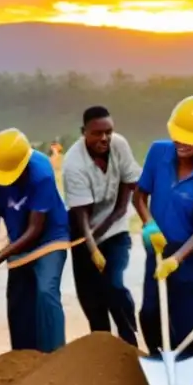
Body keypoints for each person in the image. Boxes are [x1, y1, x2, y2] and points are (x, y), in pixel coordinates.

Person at [133, 96, 193, 357]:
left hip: (192, 259)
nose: (181, 143)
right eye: (178, 135)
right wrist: (149, 224)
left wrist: (177, 259)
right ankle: (159, 363)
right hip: (158, 248)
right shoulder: (158, 152)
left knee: (189, 334)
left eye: (190, 138)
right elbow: (139, 195)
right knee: (149, 315)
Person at [0, 128, 70, 353]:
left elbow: (35, 229)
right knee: (18, 299)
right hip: (18, 239)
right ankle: (23, 357)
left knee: (46, 291)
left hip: (49, 238)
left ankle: (55, 355)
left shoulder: (42, 173)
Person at [62, 106, 141, 345]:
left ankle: (130, 343)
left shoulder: (120, 145)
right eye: (97, 133)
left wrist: (105, 231)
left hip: (115, 227)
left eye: (108, 131)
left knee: (114, 285)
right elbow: (81, 216)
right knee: (92, 300)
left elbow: (126, 194)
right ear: (83, 132)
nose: (104, 138)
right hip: (82, 231)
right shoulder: (73, 163)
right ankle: (103, 349)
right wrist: (92, 247)